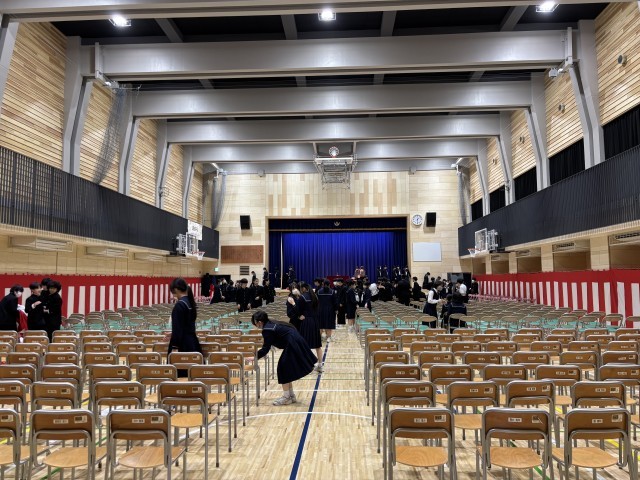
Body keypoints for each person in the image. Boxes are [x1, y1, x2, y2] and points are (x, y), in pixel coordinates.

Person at [252, 311, 317, 405]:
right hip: (295, 341)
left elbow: (265, 349)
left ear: (259, 322)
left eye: (255, 323)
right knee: (285, 369)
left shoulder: (267, 329)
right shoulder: (271, 322)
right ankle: (291, 396)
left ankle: (287, 397)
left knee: (282, 369)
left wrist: (254, 357)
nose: (255, 325)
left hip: (293, 343)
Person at [167, 278, 202, 377]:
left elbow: (177, 329)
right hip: (193, 343)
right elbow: (186, 325)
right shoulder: (190, 302)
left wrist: (174, 347)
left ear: (176, 289)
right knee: (193, 375)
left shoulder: (179, 305)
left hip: (182, 345)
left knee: (180, 376)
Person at [299, 282, 323, 373]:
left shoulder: (302, 297)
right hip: (315, 321)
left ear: (303, 288)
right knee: (317, 345)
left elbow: (299, 310)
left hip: (306, 322)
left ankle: (307, 365)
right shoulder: (315, 296)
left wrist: (299, 315)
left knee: (305, 345)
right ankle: (320, 365)